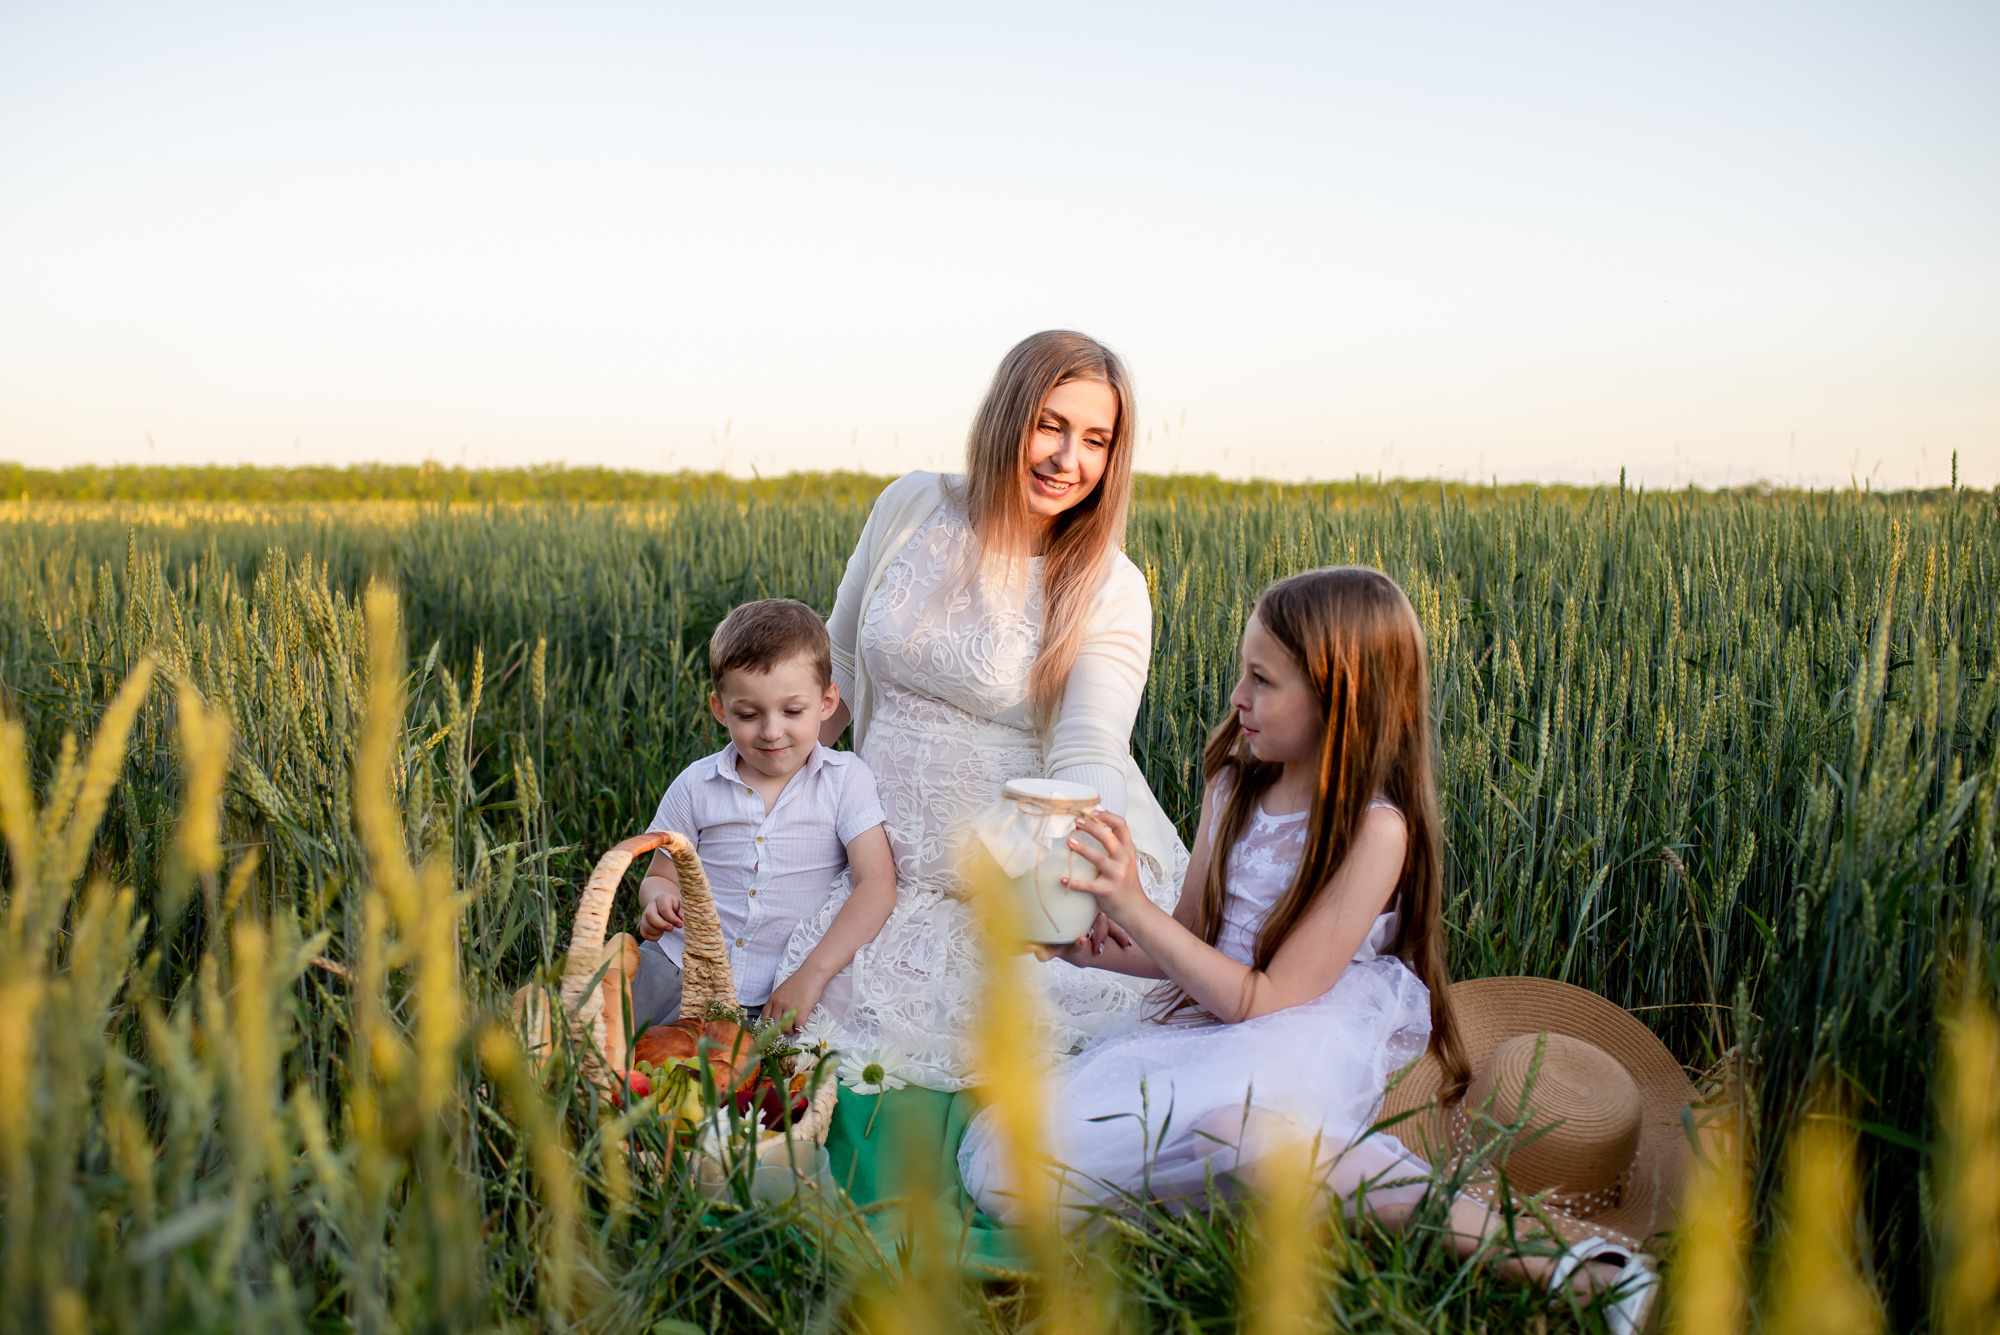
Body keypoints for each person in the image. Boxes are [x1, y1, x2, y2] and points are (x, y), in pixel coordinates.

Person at [959, 566, 1659, 1333]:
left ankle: (1573, 1266)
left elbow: (1262, 999)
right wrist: (1092, 949)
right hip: (1211, 1027)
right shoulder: (1234, 785)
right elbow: (1192, 939)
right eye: (1244, 672)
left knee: (1243, 1134)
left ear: (1340, 699)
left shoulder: (1374, 830)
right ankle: (1274, 1207)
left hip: (1296, 1026)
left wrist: (1131, 902)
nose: (1237, 696)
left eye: (1263, 680)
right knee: (1015, 1170)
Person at [776, 329, 1187, 1088]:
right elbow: (836, 671)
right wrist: (755, 791)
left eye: (1096, 441)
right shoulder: (909, 506)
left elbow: (1089, 744)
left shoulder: (1110, 585)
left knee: (1005, 1055)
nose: (1068, 459)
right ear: (1006, 416)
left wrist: (1084, 873)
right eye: (1050, 426)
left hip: (1016, 882)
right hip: (874, 867)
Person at [624, 598, 897, 1030]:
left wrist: (812, 975)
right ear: (720, 709)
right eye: (749, 714)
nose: (771, 732)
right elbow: (660, 876)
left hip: (782, 986)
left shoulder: (845, 780)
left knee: (750, 1069)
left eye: (792, 711)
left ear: (827, 702)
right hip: (679, 967)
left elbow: (877, 884)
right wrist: (657, 900)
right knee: (600, 1036)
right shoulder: (697, 785)